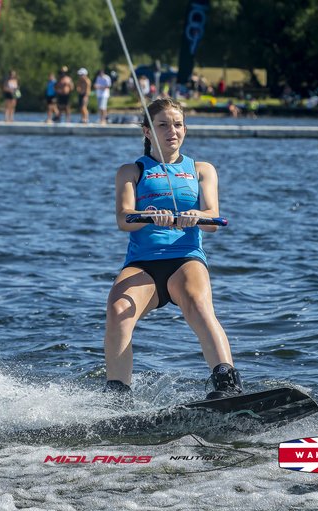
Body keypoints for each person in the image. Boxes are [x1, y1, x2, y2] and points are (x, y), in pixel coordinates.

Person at [103, 97, 242, 403]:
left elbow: (212, 221)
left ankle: (227, 383)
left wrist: (198, 217)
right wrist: (149, 215)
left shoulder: (202, 170)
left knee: (197, 303)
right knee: (117, 309)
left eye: (177, 124)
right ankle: (117, 396)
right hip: (143, 264)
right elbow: (123, 218)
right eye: (163, 125)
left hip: (185, 259)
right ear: (147, 132)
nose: (172, 131)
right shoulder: (131, 171)